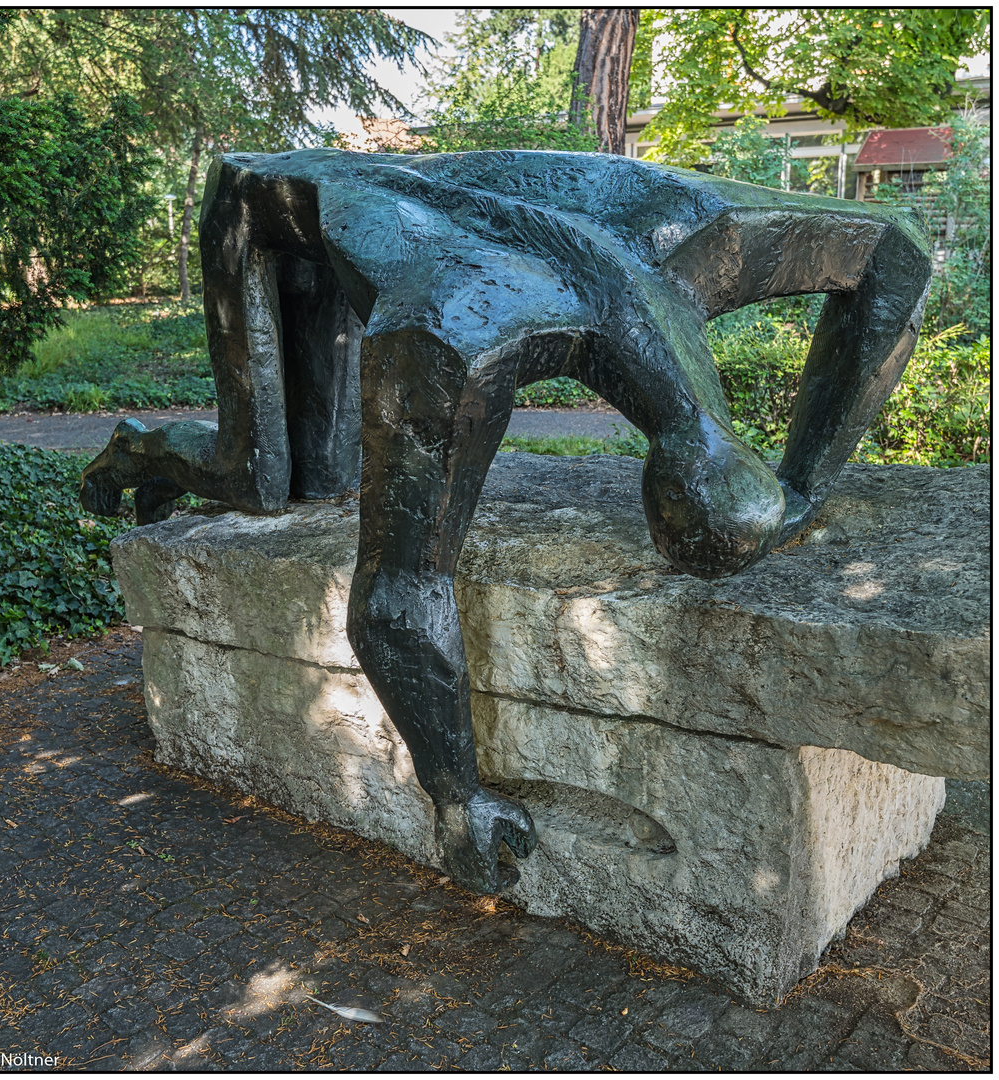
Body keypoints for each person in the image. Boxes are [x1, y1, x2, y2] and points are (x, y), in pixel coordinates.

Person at [82, 149, 931, 892]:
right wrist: (456, 799)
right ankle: (140, 451)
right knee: (271, 478)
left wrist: (805, 483)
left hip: (403, 205)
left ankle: (180, 450)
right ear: (654, 498)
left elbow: (898, 255)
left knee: (318, 463)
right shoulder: (460, 328)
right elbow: (399, 590)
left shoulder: (705, 233)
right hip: (264, 204)